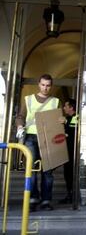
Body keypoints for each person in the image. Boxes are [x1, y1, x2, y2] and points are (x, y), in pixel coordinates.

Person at [16, 74, 61, 212]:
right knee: (32, 169)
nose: (45, 88)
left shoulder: (55, 101)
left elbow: (58, 119)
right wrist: (19, 126)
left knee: (47, 171)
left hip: (48, 138)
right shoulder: (28, 100)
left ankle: (46, 200)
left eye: (48, 85)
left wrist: (62, 121)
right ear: (38, 84)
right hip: (30, 136)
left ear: (51, 86)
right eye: (43, 85)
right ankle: (32, 199)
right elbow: (21, 116)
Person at [59, 98, 78, 204]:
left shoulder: (76, 118)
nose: (64, 108)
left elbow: (73, 131)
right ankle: (69, 194)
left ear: (71, 107)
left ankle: (73, 196)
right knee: (67, 174)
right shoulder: (67, 118)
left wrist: (66, 122)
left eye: (66, 106)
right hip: (67, 151)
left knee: (71, 174)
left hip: (73, 152)